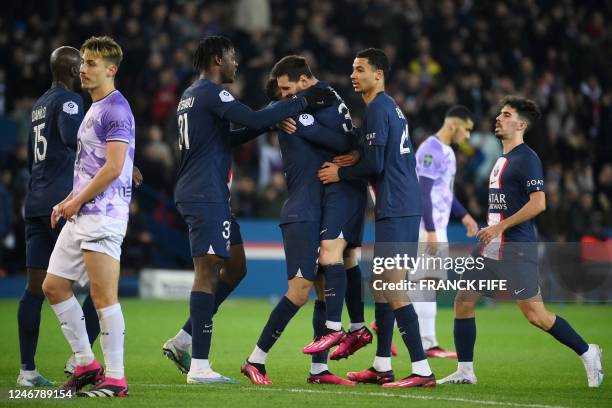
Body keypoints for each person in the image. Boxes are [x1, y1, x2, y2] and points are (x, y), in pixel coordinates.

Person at [169, 37, 336, 385]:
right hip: (204, 193)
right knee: (208, 271)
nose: (236, 64)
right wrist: (300, 101)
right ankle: (199, 366)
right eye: (231, 57)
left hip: (207, 192)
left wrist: (270, 123)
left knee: (236, 267)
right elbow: (252, 116)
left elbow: (231, 135)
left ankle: (183, 340)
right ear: (218, 58)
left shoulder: (191, 95)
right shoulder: (212, 93)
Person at [438, 96, 603, 388]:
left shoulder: (527, 158)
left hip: (515, 246)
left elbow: (539, 203)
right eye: (500, 113)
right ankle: (465, 371)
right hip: (490, 246)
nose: (499, 118)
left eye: (506, 114)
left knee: (536, 315)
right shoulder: (502, 159)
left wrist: (500, 226)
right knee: (463, 301)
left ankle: (588, 351)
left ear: (521, 124)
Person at [318, 48, 435, 388]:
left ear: (378, 74)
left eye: (360, 70)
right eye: (352, 70)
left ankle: (422, 371)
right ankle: (383, 365)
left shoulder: (378, 109)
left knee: (394, 288)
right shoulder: (387, 108)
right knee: (382, 286)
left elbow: (375, 166)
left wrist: (340, 173)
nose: (353, 75)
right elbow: (374, 158)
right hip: (396, 204)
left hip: (398, 205)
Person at [242, 59, 359, 386]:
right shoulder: (285, 113)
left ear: (304, 81)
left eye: (287, 88)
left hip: (318, 210)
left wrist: (354, 152)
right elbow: (254, 124)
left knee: (323, 293)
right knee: (300, 290)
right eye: (281, 91)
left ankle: (319, 369)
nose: (285, 95)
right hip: (301, 212)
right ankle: (255, 359)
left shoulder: (315, 106)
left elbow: (343, 139)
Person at [41, 36, 136, 397]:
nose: (83, 68)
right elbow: (87, 168)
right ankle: (86, 364)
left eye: (92, 63)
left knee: (102, 296)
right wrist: (68, 199)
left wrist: (76, 201)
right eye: (82, 61)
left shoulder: (116, 109)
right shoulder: (92, 108)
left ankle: (116, 377)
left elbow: (113, 168)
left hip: (104, 215)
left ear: (111, 70)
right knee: (53, 286)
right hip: (81, 212)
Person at [17, 46, 102, 387]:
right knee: (101, 286)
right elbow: (70, 137)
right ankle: (80, 360)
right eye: (79, 64)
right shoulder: (70, 101)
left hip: (35, 203)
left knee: (34, 289)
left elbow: (29, 157)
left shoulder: (39, 104)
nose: (83, 69)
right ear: (69, 70)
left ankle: (27, 372)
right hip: (63, 206)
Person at [411, 105, 478, 358]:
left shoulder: (447, 152)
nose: (468, 135)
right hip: (427, 227)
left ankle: (425, 340)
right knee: (426, 282)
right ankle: (426, 341)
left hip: (437, 226)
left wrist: (464, 215)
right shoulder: (431, 149)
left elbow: (445, 193)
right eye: (467, 129)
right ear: (454, 125)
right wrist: (429, 229)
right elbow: (422, 191)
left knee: (429, 282)